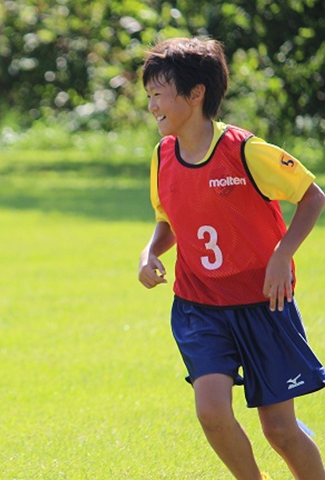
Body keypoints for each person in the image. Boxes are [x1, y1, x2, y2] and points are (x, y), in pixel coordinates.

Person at [138, 37, 325, 480]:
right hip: (199, 305)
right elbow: (169, 221)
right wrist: (148, 252)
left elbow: (312, 196)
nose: (152, 107)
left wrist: (282, 255)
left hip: (264, 304)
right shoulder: (163, 155)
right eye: (149, 97)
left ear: (196, 93)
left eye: (158, 95)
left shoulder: (246, 151)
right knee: (212, 412)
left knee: (279, 429)